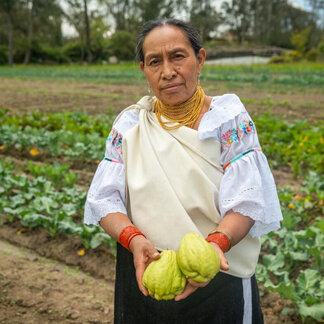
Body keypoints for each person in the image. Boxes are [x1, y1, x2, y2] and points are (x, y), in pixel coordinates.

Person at [84, 19, 282, 324]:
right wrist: (135, 241)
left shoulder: (228, 120)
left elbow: (247, 199)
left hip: (218, 272)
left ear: (200, 59)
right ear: (143, 70)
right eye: (154, 62)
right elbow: (105, 200)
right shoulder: (130, 126)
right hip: (147, 271)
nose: (167, 71)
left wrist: (214, 247)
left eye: (178, 56)